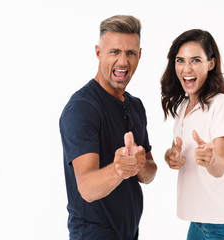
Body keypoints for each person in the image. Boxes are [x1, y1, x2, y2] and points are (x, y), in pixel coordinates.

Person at [59, 15, 157, 240]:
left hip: (130, 232)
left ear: (139, 55)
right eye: (114, 52)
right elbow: (87, 188)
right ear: (98, 53)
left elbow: (149, 173)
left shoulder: (135, 105)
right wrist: (118, 169)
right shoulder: (82, 108)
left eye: (130, 53)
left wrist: (139, 164)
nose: (123, 62)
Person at [161, 29, 224, 239]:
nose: (187, 68)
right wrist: (171, 157)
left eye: (195, 60)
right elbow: (178, 149)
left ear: (211, 63)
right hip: (200, 220)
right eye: (180, 60)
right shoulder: (183, 106)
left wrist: (212, 158)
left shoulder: (222, 105)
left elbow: (220, 164)